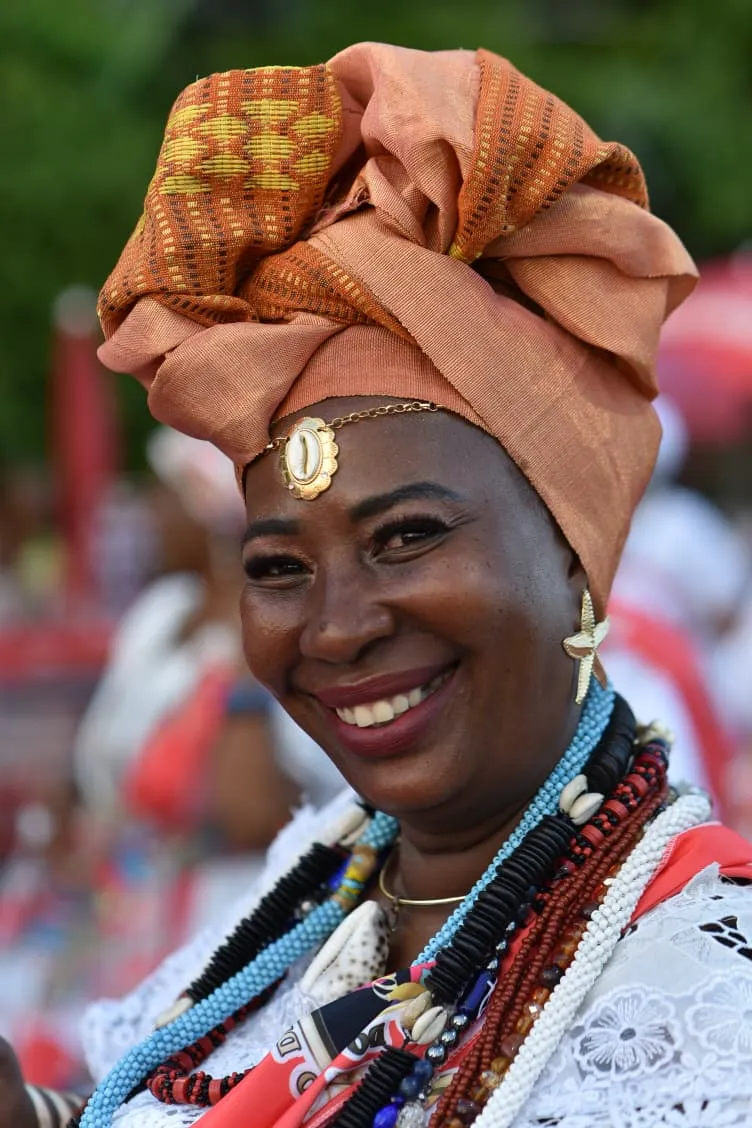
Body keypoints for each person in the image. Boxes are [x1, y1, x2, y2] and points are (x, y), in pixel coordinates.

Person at [4, 41, 752, 1128]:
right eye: (278, 567)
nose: (337, 628)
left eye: (406, 537)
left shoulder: (703, 1001)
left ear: (571, 553)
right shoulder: (312, 890)